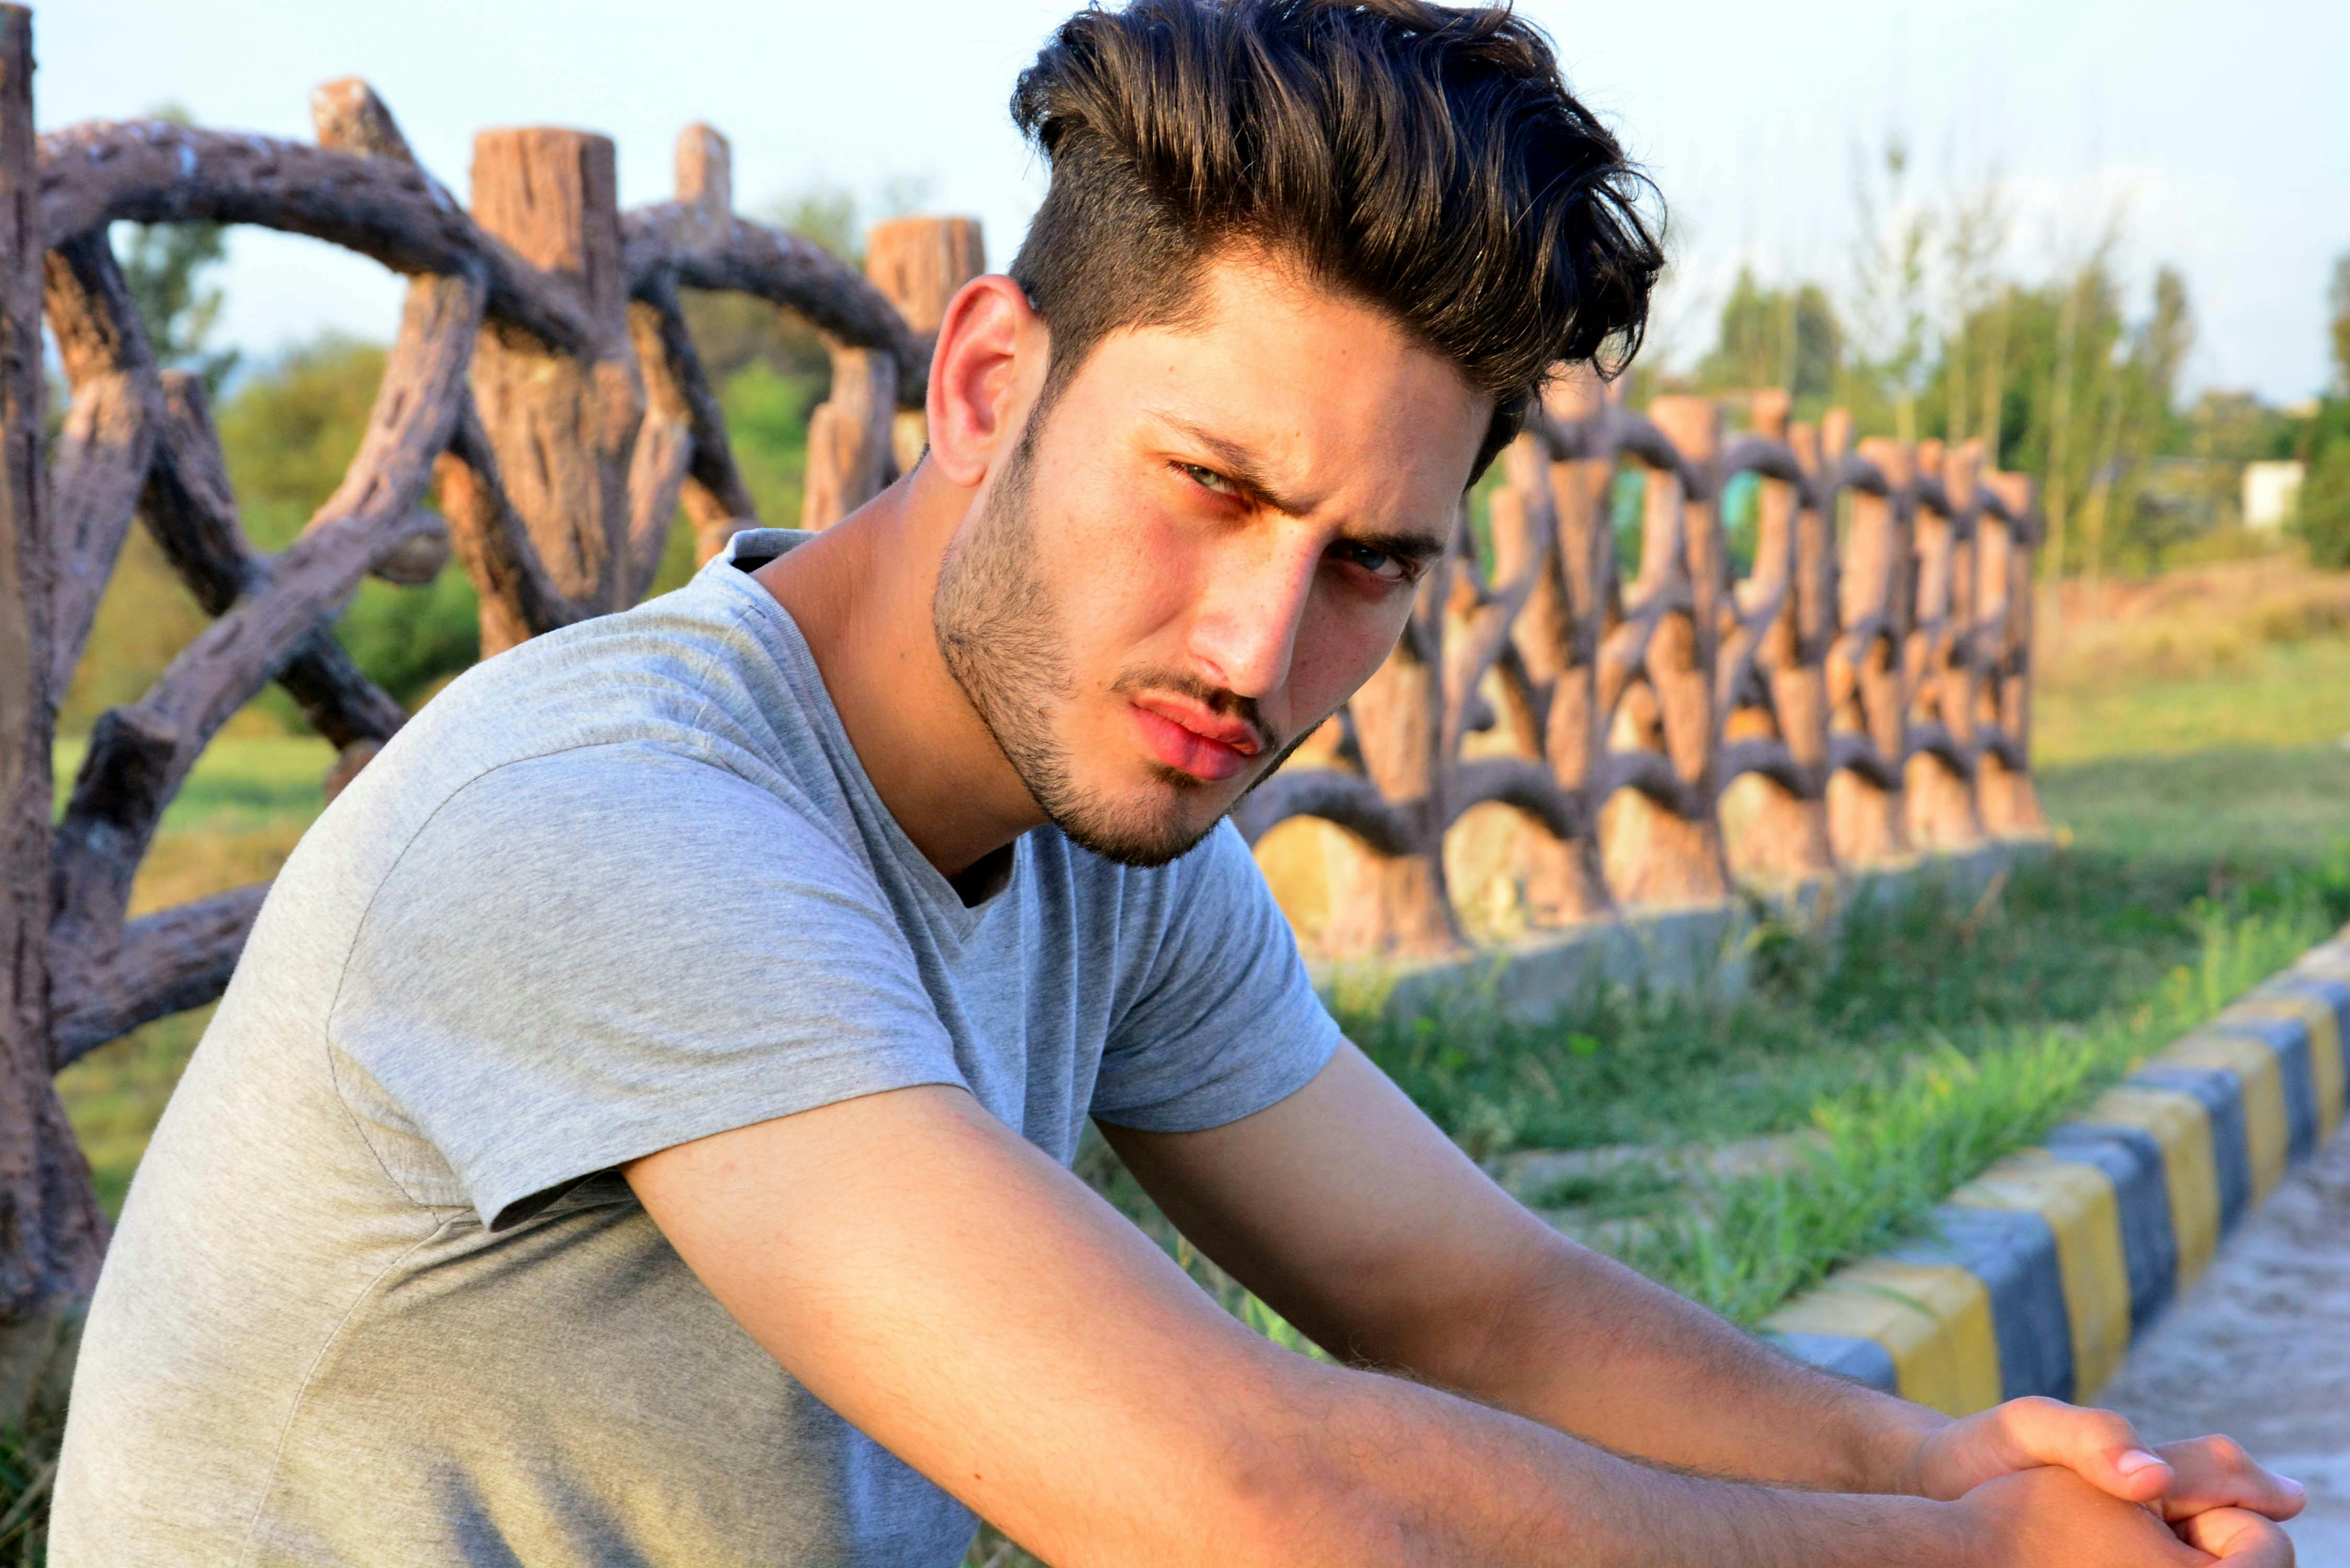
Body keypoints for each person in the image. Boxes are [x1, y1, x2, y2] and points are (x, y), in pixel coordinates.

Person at [53, 2, 2304, 1563]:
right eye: (1208, 487)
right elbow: (1243, 1505)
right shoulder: (604, 822)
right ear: (986, 375)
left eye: (1369, 565)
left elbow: (1468, 1309)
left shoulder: (1101, 825)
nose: (1255, 650)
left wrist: (1928, 1465)